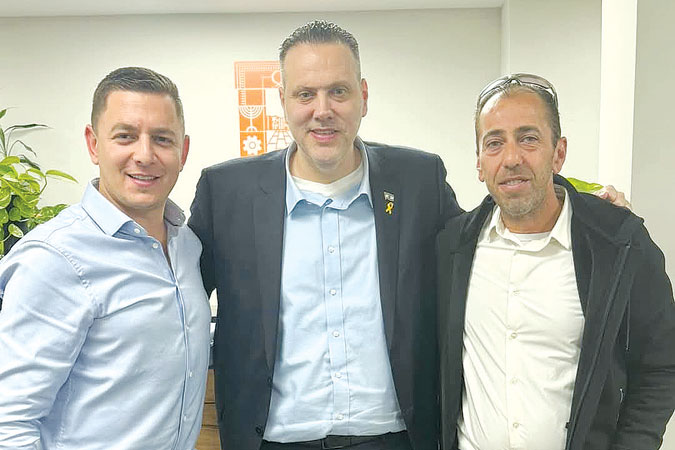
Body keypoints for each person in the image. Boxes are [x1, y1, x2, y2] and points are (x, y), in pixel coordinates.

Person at [189, 20, 461, 450]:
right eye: (305, 94)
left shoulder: (418, 182)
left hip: (395, 439)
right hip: (272, 441)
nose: (323, 110)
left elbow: (476, 263)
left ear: (363, 96)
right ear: (283, 101)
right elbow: (176, 300)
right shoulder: (226, 194)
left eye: (338, 91)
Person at [437, 73, 675, 450]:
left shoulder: (619, 245)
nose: (511, 158)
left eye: (528, 138)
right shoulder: (452, 248)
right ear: (479, 163)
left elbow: (660, 366)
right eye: (494, 143)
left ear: (558, 153)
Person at [0, 67, 211, 450]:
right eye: (125, 136)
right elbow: (8, 421)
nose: (144, 155)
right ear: (94, 144)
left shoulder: (187, 244)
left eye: (162, 139)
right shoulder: (55, 258)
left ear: (183, 151)